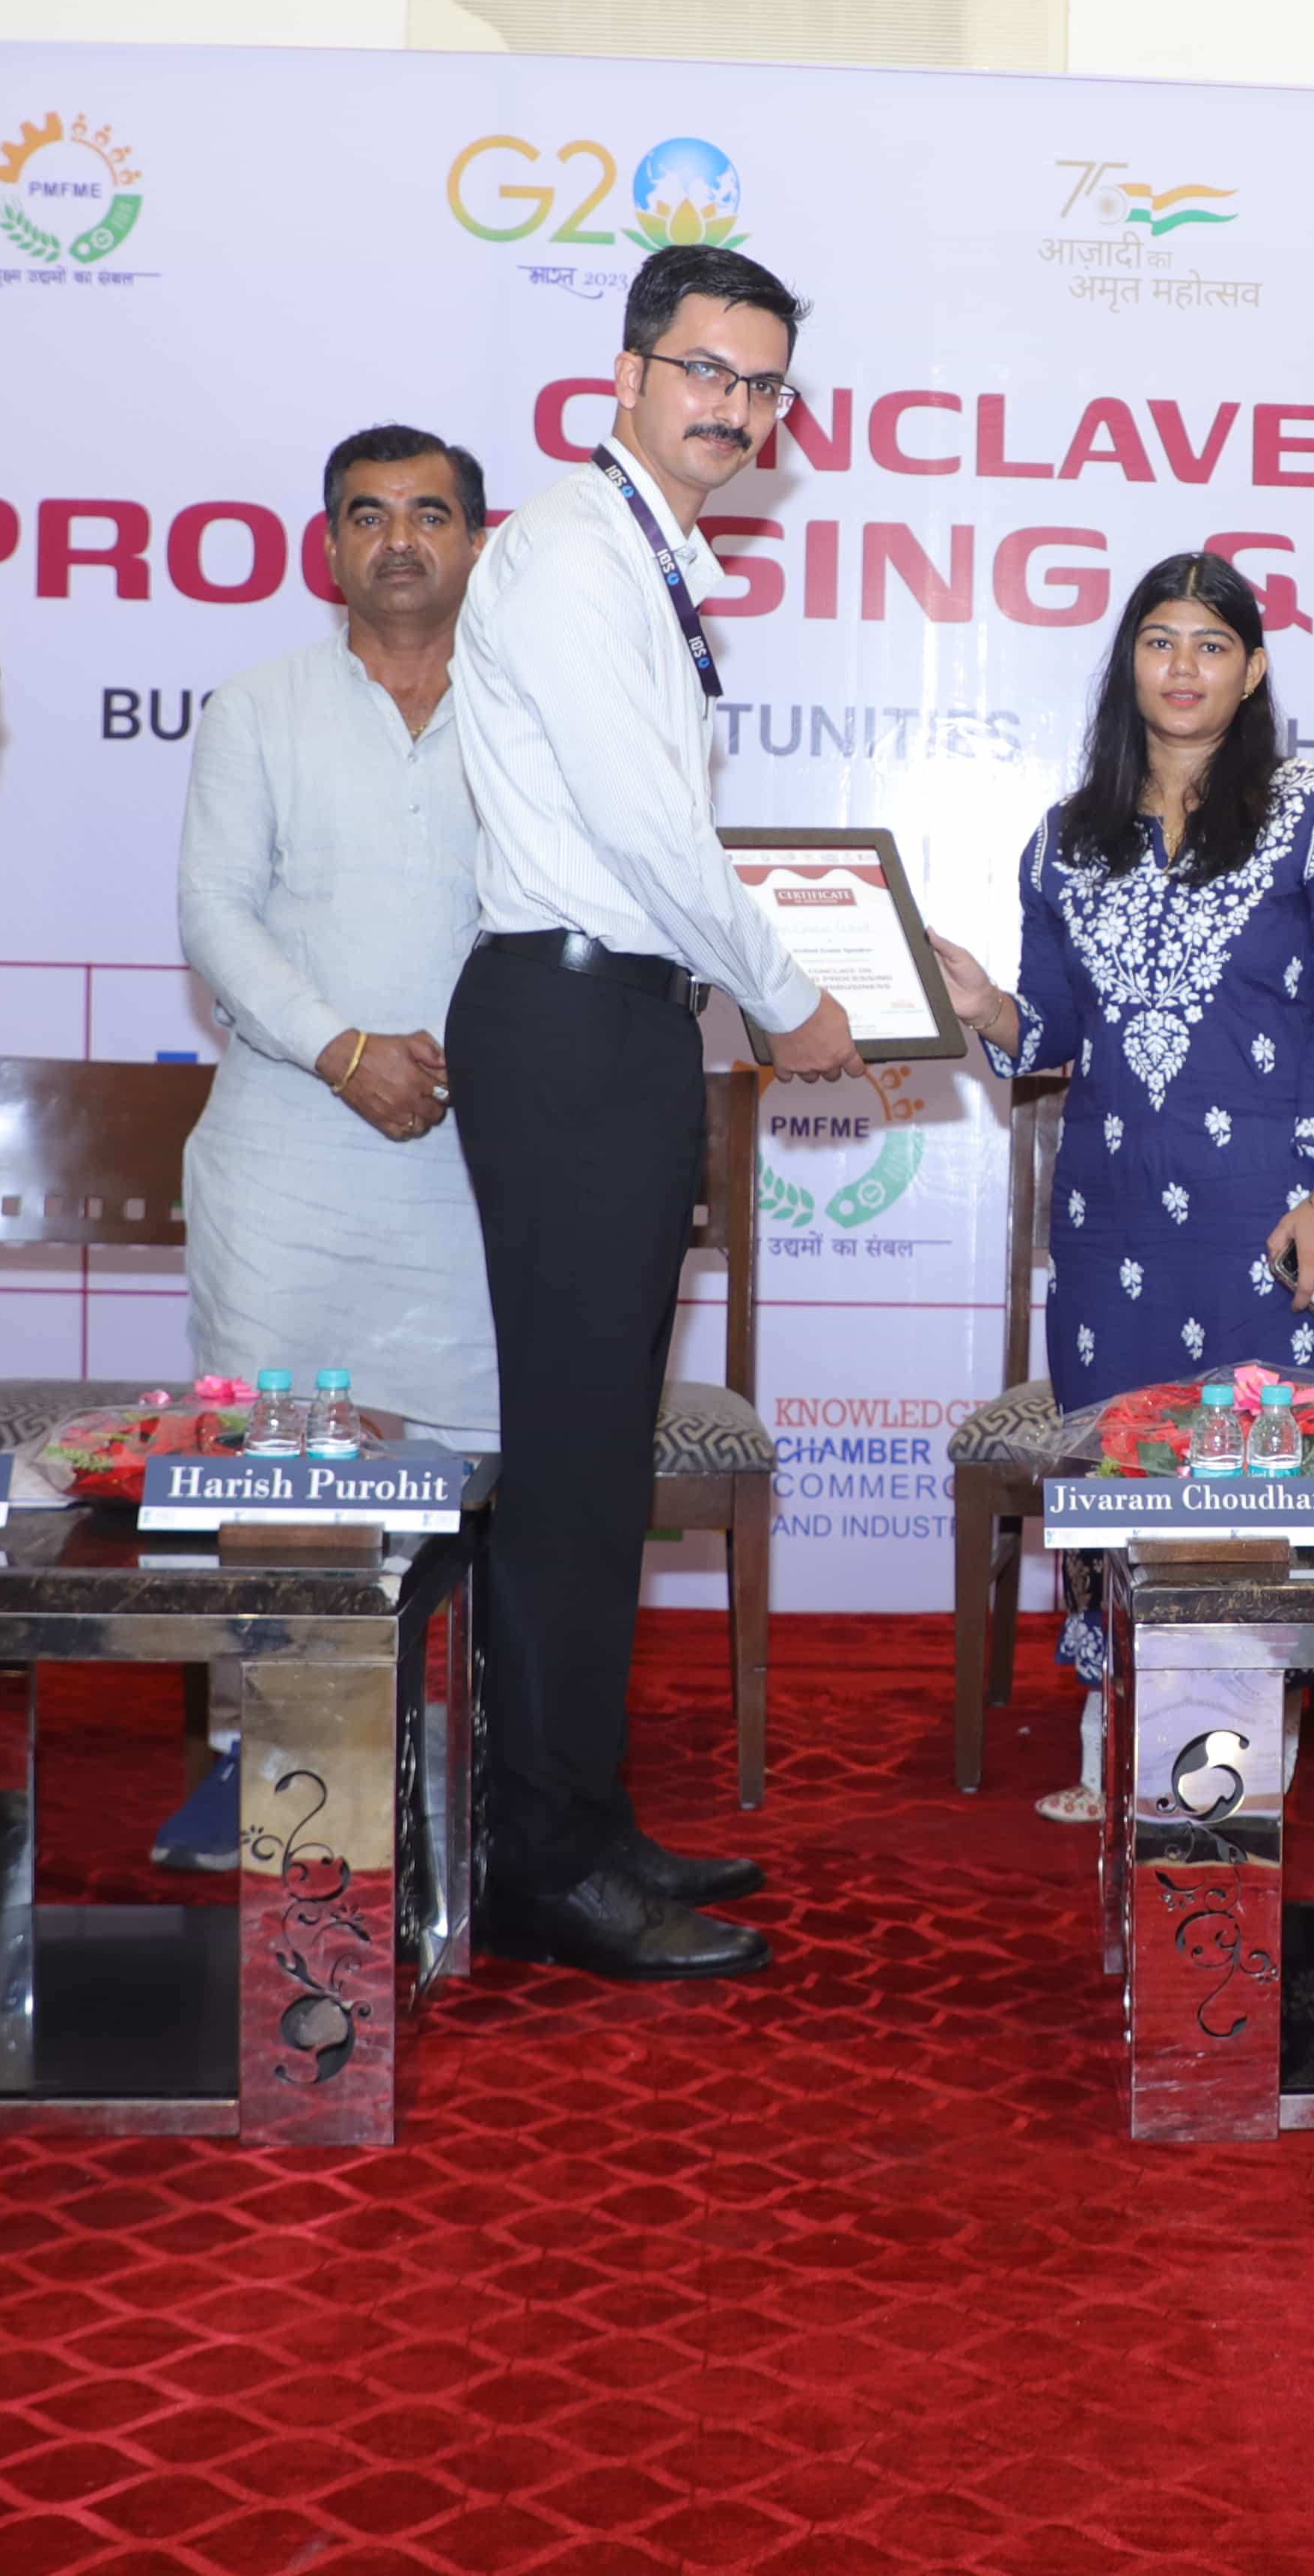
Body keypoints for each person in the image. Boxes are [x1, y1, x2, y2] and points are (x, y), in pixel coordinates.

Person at [440, 243, 861, 1981]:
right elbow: (644, 830)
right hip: (565, 1017)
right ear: (626, 373)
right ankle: (543, 1866)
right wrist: (793, 995)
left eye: (761, 383)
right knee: (567, 1462)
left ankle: (584, 1821)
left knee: (601, 1455)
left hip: (615, 1021)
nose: (732, 407)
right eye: (705, 369)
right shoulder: (566, 552)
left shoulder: (646, 558)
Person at [929, 551, 1314, 1820]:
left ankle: (1237, 1763)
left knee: (1265, 1489)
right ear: (1128, 662)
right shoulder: (1065, 839)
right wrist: (985, 1005)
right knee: (1120, 1484)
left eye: (1211, 644)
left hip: (1275, 1215)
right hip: (1114, 1220)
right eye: (1159, 640)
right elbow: (1053, 1035)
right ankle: (1112, 1735)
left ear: (1253, 671)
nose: (1183, 667)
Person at [152, 422, 496, 1872]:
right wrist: (345, 1048)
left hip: (480, 1161)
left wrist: (467, 1061)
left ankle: (452, 1774)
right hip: (291, 1152)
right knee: (275, 1479)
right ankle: (268, 1768)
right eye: (368, 514)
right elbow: (214, 911)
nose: (399, 538)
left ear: (477, 540)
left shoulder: (537, 708)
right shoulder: (259, 707)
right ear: (331, 546)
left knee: (470, 1475)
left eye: (430, 512)